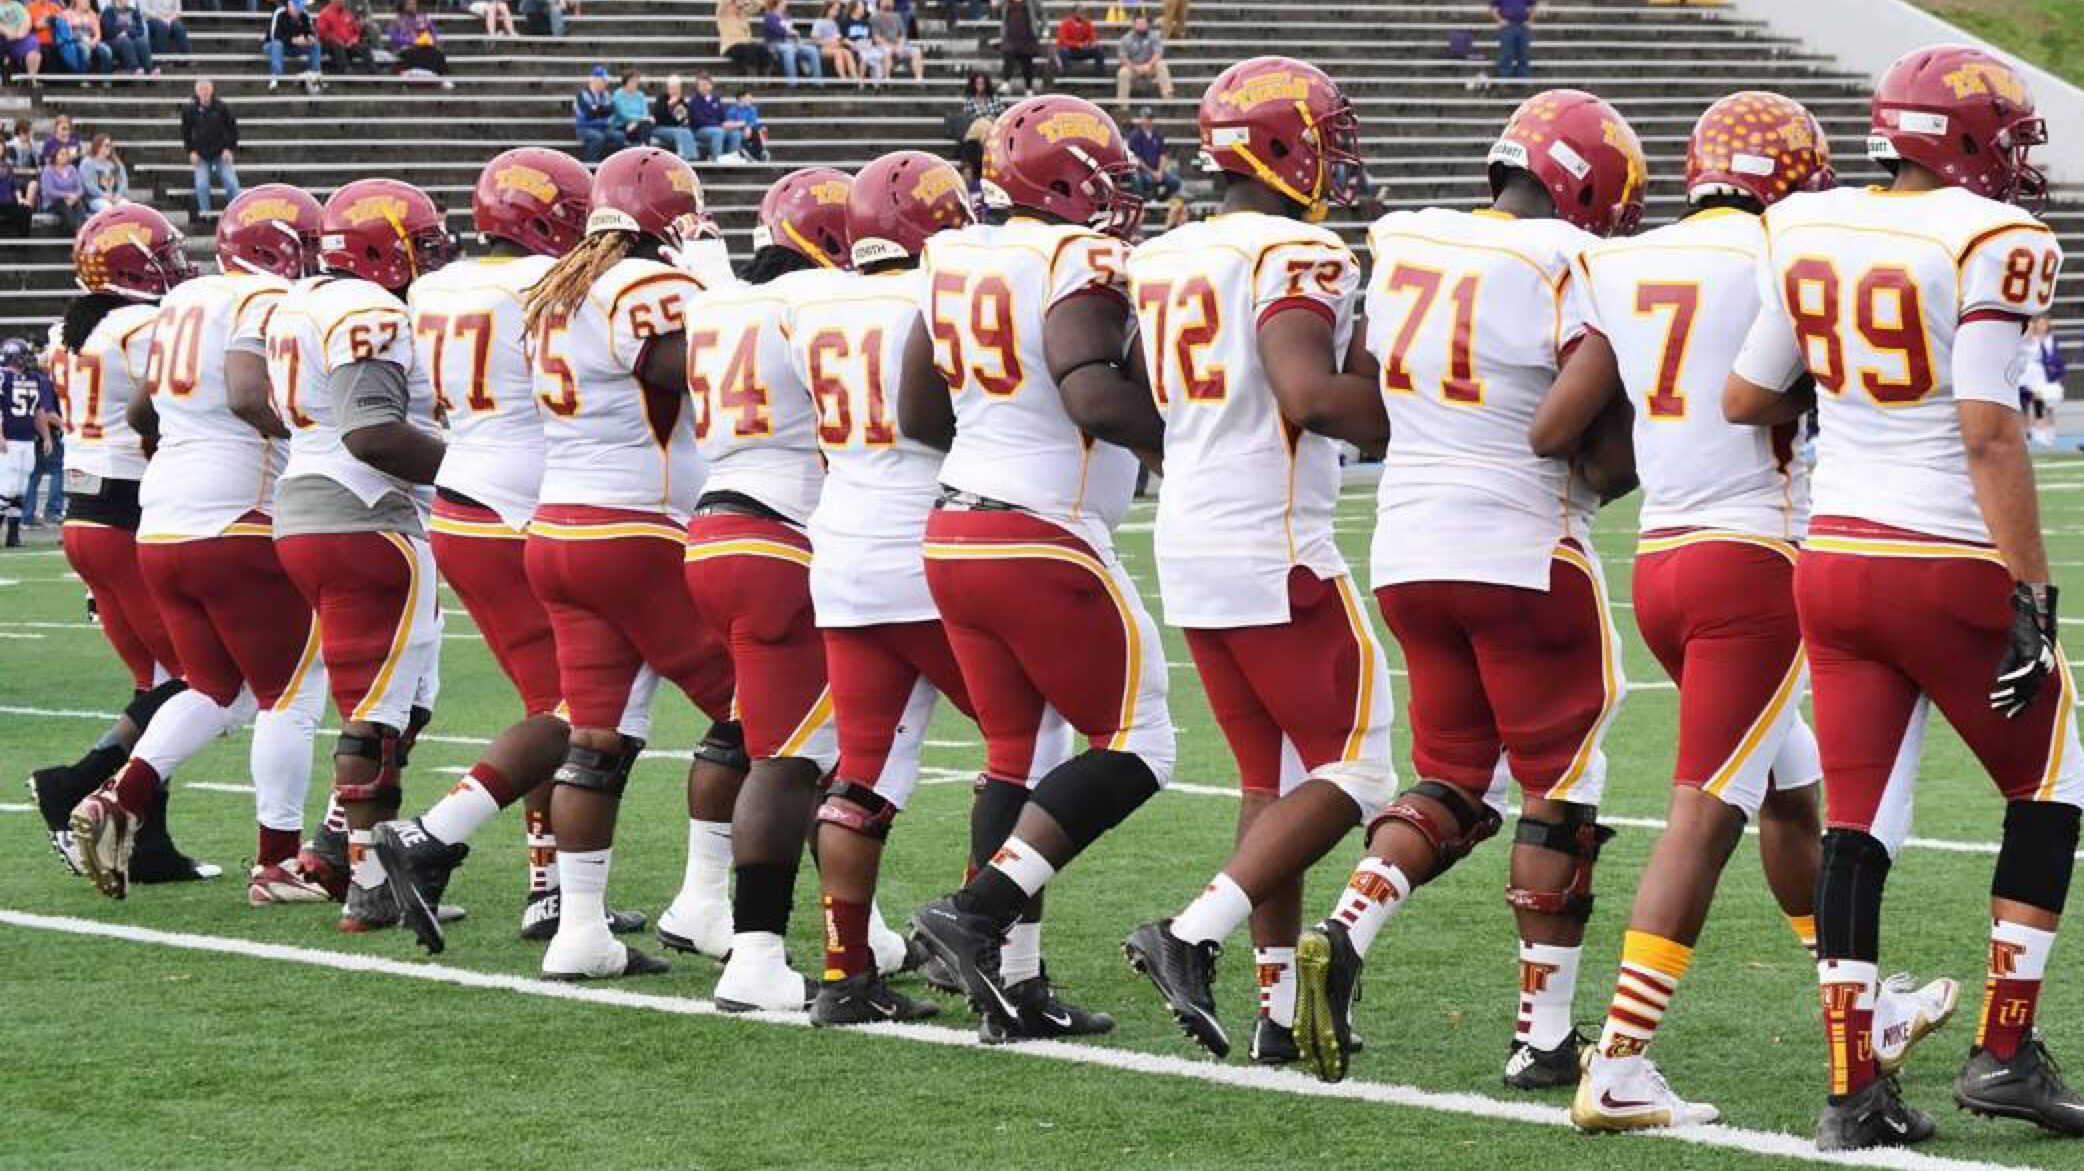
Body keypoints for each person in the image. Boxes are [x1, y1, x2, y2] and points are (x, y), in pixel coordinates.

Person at [1530, 90, 1954, 1131]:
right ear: (1796, 178)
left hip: (1659, 561)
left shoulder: (1619, 262)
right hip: (1749, 560)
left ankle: (1865, 1003)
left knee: (1788, 792)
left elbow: (1571, 423)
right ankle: (1620, 1059)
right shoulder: (1783, 249)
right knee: (1704, 806)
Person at [1725, 45, 2084, 1150]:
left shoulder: (1803, 225)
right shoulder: (1992, 238)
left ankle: (1849, 1092)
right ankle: (2003, 1048)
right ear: (1962, 138)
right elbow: (1984, 430)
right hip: (1944, 560)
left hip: (1834, 558)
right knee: (2055, 778)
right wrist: (2029, 588)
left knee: (1857, 820)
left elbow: (1748, 391)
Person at [1280, 90, 1645, 1091]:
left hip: (1408, 545)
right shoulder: (1572, 259)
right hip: (1522, 544)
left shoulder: (1401, 240)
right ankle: (1542, 1034)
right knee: (1558, 792)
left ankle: (1346, 926)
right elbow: (1558, 431)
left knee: (1451, 778)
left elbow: (1367, 385)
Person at [1120, 57, 1404, 1067]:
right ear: (1285, 143)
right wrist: (1400, 393)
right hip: (1271, 539)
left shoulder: (1164, 254)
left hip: (1188, 530)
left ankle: (1277, 1010)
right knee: (1362, 769)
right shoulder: (1298, 251)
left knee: (1272, 777)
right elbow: (1310, 397)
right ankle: (1192, 931)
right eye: (1324, 130)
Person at [903, 96, 1172, 1040]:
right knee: (1141, 744)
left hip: (954, 527)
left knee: (1015, 756)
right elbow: (1093, 391)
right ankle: (978, 913)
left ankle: (1011, 987)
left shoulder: (953, 254)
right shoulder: (1074, 257)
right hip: (1040, 533)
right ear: (1067, 178)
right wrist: (1187, 449)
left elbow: (918, 412)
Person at [372, 149, 650, 949]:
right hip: (521, 504)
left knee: (559, 702)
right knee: (581, 712)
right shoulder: (544, 285)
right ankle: (439, 836)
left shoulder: (434, 286)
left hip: (464, 492)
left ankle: (549, 885)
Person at [518, 146, 740, 980]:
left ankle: (581, 933)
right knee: (766, 716)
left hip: (560, 528)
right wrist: (720, 289)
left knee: (595, 740)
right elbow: (686, 367)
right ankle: (709, 902)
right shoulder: (646, 287)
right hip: (636, 531)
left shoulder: (563, 287)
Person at [80, 186, 337, 906]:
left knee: (214, 688)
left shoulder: (181, 301)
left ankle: (116, 797)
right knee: (292, 690)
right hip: (236, 518)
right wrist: (314, 431)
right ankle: (276, 862)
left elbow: (140, 409)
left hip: (163, 519)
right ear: (283, 248)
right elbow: (248, 392)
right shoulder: (262, 299)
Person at [669, 167, 853, 1009]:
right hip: (784, 533)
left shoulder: (716, 302)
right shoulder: (818, 304)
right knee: (791, 760)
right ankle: (755, 955)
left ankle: (862, 924)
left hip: (712, 526)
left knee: (781, 741)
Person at [260, 178, 454, 932]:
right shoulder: (366, 308)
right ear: (382, 244)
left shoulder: (299, 301)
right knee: (374, 710)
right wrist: (465, 471)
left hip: (305, 506)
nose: (432, 254)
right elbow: (371, 430)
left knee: (398, 698)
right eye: (423, 239)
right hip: (366, 512)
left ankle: (338, 849)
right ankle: (370, 884)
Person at [50, 203, 220, 895]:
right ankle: (75, 787)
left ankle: (148, 842)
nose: (176, 260)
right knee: (195, 681)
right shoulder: (143, 325)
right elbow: (170, 403)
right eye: (164, 251)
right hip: (129, 509)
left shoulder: (68, 324)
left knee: (157, 682)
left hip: (81, 511)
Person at [0, 338, 53, 545]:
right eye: (23, 355)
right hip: (9, 440)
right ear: (12, 356)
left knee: (21, 488)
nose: (27, 359)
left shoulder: (35, 378)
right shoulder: (3, 377)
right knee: (7, 488)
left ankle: (13, 535)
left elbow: (39, 410)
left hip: (27, 440)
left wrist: (47, 436)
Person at [180, 79, 240, 217]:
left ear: (211, 90)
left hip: (221, 153)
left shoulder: (222, 108)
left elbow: (233, 129)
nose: (204, 93)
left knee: (231, 183)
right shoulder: (189, 110)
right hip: (201, 155)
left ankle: (236, 212)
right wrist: (191, 151)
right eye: (201, 90)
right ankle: (205, 214)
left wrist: (229, 149)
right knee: (201, 185)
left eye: (206, 89)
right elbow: (185, 132)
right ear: (197, 92)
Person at [2020, 315, 2064, 448]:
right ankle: (2027, 431)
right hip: (2025, 372)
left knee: (2040, 399)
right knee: (2024, 403)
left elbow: (2048, 356)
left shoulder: (2044, 341)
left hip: (2038, 372)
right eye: (2037, 324)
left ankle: (2040, 428)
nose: (2039, 326)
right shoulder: (2026, 338)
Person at [950, 70, 1004, 178]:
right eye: (978, 83)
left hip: (991, 126)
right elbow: (969, 117)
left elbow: (1002, 115)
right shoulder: (970, 100)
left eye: (982, 83)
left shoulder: (994, 99)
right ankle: (987, 153)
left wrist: (989, 119)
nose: (980, 86)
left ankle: (972, 159)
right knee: (981, 124)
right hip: (976, 128)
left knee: (985, 126)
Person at [387, 0, 450, 84]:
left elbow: (433, 31)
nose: (413, 6)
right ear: (404, 6)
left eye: (414, 4)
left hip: (424, 45)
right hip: (407, 47)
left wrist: (431, 40)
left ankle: (443, 78)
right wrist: (411, 41)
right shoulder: (396, 20)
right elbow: (394, 37)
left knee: (438, 54)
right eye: (410, 4)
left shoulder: (423, 17)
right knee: (411, 54)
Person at [1114, 15, 1170, 102]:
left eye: (1143, 23)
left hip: (1150, 67)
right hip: (1133, 68)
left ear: (1147, 24)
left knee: (1161, 64)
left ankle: (1168, 97)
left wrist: (1149, 64)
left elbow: (1158, 53)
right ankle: (1122, 105)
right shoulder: (1126, 38)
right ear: (1134, 24)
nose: (1141, 25)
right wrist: (1134, 67)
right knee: (1123, 72)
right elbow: (1122, 57)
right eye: (1138, 23)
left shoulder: (1154, 36)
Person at [688, 71, 742, 161]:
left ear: (711, 85)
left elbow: (723, 117)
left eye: (706, 84)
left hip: (717, 127)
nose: (704, 87)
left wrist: (730, 124)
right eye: (701, 85)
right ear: (698, 87)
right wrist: (720, 125)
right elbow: (699, 121)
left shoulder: (716, 99)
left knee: (735, 133)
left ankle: (732, 161)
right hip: (699, 130)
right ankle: (716, 160)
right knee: (718, 132)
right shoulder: (694, 101)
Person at [761, 0, 818, 84]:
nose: (787, 2)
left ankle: (817, 82)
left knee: (812, 50)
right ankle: (792, 83)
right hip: (775, 43)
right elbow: (776, 31)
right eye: (785, 1)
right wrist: (790, 32)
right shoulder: (769, 16)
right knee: (789, 49)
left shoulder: (786, 16)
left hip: (790, 42)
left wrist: (796, 37)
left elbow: (792, 32)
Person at [1124, 108, 1175, 200]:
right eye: (1147, 118)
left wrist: (1160, 171)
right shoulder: (1135, 136)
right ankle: (1144, 205)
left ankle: (1161, 200)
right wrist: (1152, 173)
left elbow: (1163, 154)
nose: (1149, 121)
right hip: (1140, 171)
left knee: (1175, 182)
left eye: (1150, 118)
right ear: (1141, 119)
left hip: (1157, 171)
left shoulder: (1158, 135)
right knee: (1140, 180)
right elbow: (1137, 158)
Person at [649, 74, 700, 160]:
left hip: (675, 129)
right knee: (680, 132)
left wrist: (684, 116)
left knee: (686, 131)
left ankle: (692, 157)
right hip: (660, 128)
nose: (676, 90)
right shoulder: (662, 98)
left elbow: (680, 120)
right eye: (673, 87)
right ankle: (684, 157)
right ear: (668, 88)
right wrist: (669, 105)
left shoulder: (681, 101)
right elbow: (658, 116)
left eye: (678, 88)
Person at [38, 143, 86, 233]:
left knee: (80, 206)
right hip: (53, 202)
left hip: (72, 200)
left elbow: (80, 188)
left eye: (66, 154)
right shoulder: (48, 170)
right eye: (61, 154)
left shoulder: (72, 169)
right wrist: (67, 195)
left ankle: (82, 230)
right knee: (63, 206)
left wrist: (75, 196)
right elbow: (49, 191)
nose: (64, 156)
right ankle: (78, 231)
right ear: (55, 155)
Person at [316, 0, 374, 73]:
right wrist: (337, 40)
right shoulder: (324, 13)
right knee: (337, 47)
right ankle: (346, 74)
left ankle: (375, 75)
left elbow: (356, 31)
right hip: (333, 45)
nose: (342, 1)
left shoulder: (347, 13)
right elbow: (322, 33)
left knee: (364, 48)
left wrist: (353, 40)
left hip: (348, 44)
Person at [573, 66, 616, 162]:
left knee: (619, 136)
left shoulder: (606, 94)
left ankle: (613, 165)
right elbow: (588, 114)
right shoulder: (582, 95)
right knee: (598, 137)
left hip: (603, 128)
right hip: (585, 128)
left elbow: (611, 110)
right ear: (595, 81)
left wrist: (597, 109)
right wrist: (601, 110)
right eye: (604, 80)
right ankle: (590, 165)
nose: (606, 83)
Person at [98, 0, 154, 75]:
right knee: (125, 41)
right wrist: (122, 31)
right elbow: (108, 31)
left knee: (142, 41)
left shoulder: (133, 11)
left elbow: (140, 30)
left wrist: (126, 32)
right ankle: (134, 68)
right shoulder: (108, 12)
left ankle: (149, 70)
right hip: (112, 41)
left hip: (130, 38)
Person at [77, 132, 128, 212]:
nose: (108, 148)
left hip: (116, 197)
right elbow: (88, 185)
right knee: (108, 209)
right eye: (106, 145)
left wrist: (119, 195)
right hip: (96, 198)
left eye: (109, 145)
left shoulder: (116, 162)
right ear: (97, 146)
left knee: (126, 207)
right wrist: (103, 195)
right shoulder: (87, 163)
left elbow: (124, 182)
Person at [869, 0, 919, 80]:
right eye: (885, 1)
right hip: (883, 46)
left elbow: (902, 34)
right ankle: (887, 78)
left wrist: (899, 45)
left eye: (890, 1)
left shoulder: (897, 16)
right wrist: (891, 46)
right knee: (887, 51)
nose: (888, 3)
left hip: (897, 45)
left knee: (916, 51)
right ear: (880, 4)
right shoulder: (874, 18)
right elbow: (876, 37)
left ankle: (918, 78)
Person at [996, 0, 1037, 93]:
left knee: (1027, 62)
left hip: (1026, 35)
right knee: (1007, 55)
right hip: (1010, 35)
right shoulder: (1006, 3)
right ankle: (1006, 82)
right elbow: (999, 13)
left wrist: (1044, 28)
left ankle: (1029, 88)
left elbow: (1042, 13)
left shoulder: (1031, 2)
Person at [717, 0, 765, 73]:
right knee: (749, 52)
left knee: (764, 51)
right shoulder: (723, 12)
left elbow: (759, 4)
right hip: (731, 45)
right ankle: (751, 79)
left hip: (746, 45)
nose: (742, 4)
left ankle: (764, 81)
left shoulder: (744, 11)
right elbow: (723, 2)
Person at [809, 0, 853, 80]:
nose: (836, 12)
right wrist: (828, 42)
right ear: (828, 9)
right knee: (838, 53)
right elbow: (814, 38)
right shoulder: (819, 22)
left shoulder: (834, 23)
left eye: (837, 10)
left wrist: (840, 42)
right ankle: (843, 77)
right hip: (824, 48)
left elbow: (838, 37)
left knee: (847, 52)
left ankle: (854, 77)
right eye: (834, 9)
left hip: (835, 46)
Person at [1053, 4, 1100, 76]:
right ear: (1074, 14)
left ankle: (1099, 79)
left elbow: (1093, 36)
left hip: (1082, 50)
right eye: (1081, 13)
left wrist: (1092, 42)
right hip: (1069, 51)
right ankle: (1064, 77)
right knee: (1063, 51)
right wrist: (1076, 44)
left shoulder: (1087, 23)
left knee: (1098, 50)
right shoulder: (1066, 23)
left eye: (1084, 13)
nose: (1083, 15)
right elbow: (1062, 40)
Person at [2, 0, 42, 81]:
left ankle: (31, 79)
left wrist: (20, 33)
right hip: (3, 37)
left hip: (18, 37)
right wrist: (6, 31)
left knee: (33, 46)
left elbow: (26, 20)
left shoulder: (17, 5)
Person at [840, 0, 879, 82]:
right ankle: (861, 82)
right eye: (861, 7)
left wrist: (868, 44)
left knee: (877, 55)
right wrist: (855, 45)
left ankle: (877, 83)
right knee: (864, 56)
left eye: (863, 7)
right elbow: (843, 38)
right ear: (854, 8)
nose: (863, 9)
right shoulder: (845, 21)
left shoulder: (866, 22)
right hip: (852, 45)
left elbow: (870, 37)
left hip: (866, 45)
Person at [612, 70, 653, 144]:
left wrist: (636, 123)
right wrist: (640, 120)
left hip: (638, 126)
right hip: (623, 126)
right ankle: (644, 148)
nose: (635, 83)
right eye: (633, 81)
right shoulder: (618, 94)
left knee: (646, 124)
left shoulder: (640, 95)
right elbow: (624, 114)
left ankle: (644, 146)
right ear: (626, 81)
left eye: (636, 81)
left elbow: (645, 112)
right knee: (646, 124)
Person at [1493, 0, 1531, 80]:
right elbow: (1493, 8)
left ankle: (1523, 80)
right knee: (1506, 53)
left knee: (1523, 53)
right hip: (1507, 26)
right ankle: (1504, 79)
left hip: (1522, 25)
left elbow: (1533, 6)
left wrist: (1530, 21)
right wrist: (1500, 20)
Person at [724, 87, 765, 160]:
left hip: (750, 132)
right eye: (748, 97)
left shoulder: (752, 109)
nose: (751, 99)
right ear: (741, 98)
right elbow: (730, 124)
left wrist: (747, 127)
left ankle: (754, 154)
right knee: (739, 135)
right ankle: (753, 154)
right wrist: (743, 125)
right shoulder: (732, 110)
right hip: (737, 132)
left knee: (756, 131)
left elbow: (753, 121)